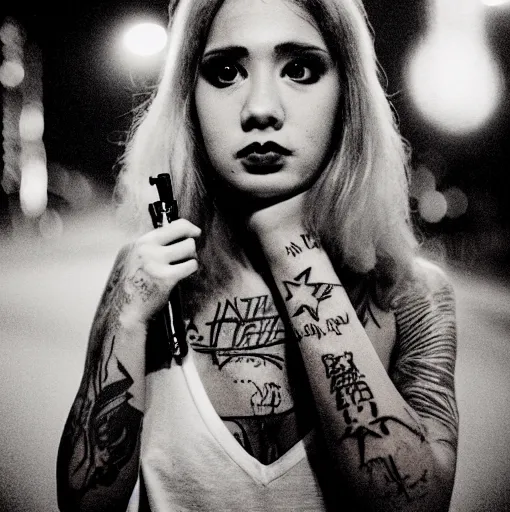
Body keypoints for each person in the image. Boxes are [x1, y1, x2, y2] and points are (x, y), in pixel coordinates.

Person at [56, 0, 459, 510]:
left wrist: (288, 240)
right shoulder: (149, 281)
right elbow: (84, 503)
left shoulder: (411, 296)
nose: (260, 108)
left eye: (300, 69)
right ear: (188, 100)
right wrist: (129, 318)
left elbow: (416, 503)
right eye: (225, 71)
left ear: (348, 97)